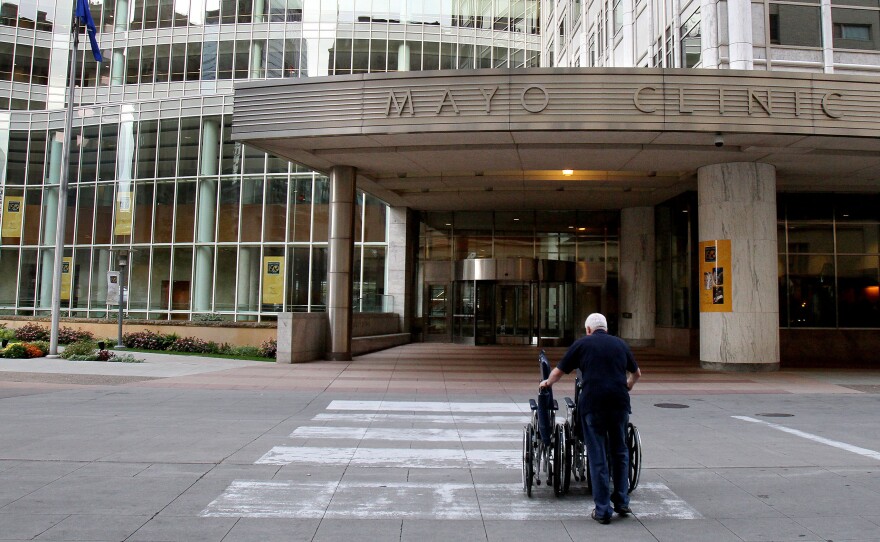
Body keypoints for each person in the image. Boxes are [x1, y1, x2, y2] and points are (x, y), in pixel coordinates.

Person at [538, 313, 641, 524]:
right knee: (620, 452)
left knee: (597, 454)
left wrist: (547, 383)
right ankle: (621, 500)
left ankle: (603, 509)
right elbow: (637, 373)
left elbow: (558, 371)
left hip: (593, 404)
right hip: (619, 403)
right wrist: (628, 385)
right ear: (606, 328)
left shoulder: (582, 344)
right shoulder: (620, 344)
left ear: (588, 329)